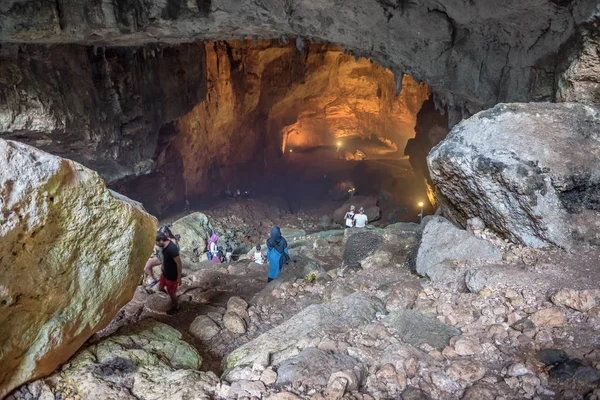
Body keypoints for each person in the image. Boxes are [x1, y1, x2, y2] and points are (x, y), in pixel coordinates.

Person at [155, 231, 182, 315]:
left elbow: (179, 263)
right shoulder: (163, 246)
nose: (156, 244)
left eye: (156, 242)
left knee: (171, 292)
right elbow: (165, 257)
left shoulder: (172, 248)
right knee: (160, 288)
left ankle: (176, 307)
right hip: (165, 273)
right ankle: (171, 298)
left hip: (172, 275)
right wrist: (163, 265)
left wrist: (179, 277)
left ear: (161, 241)